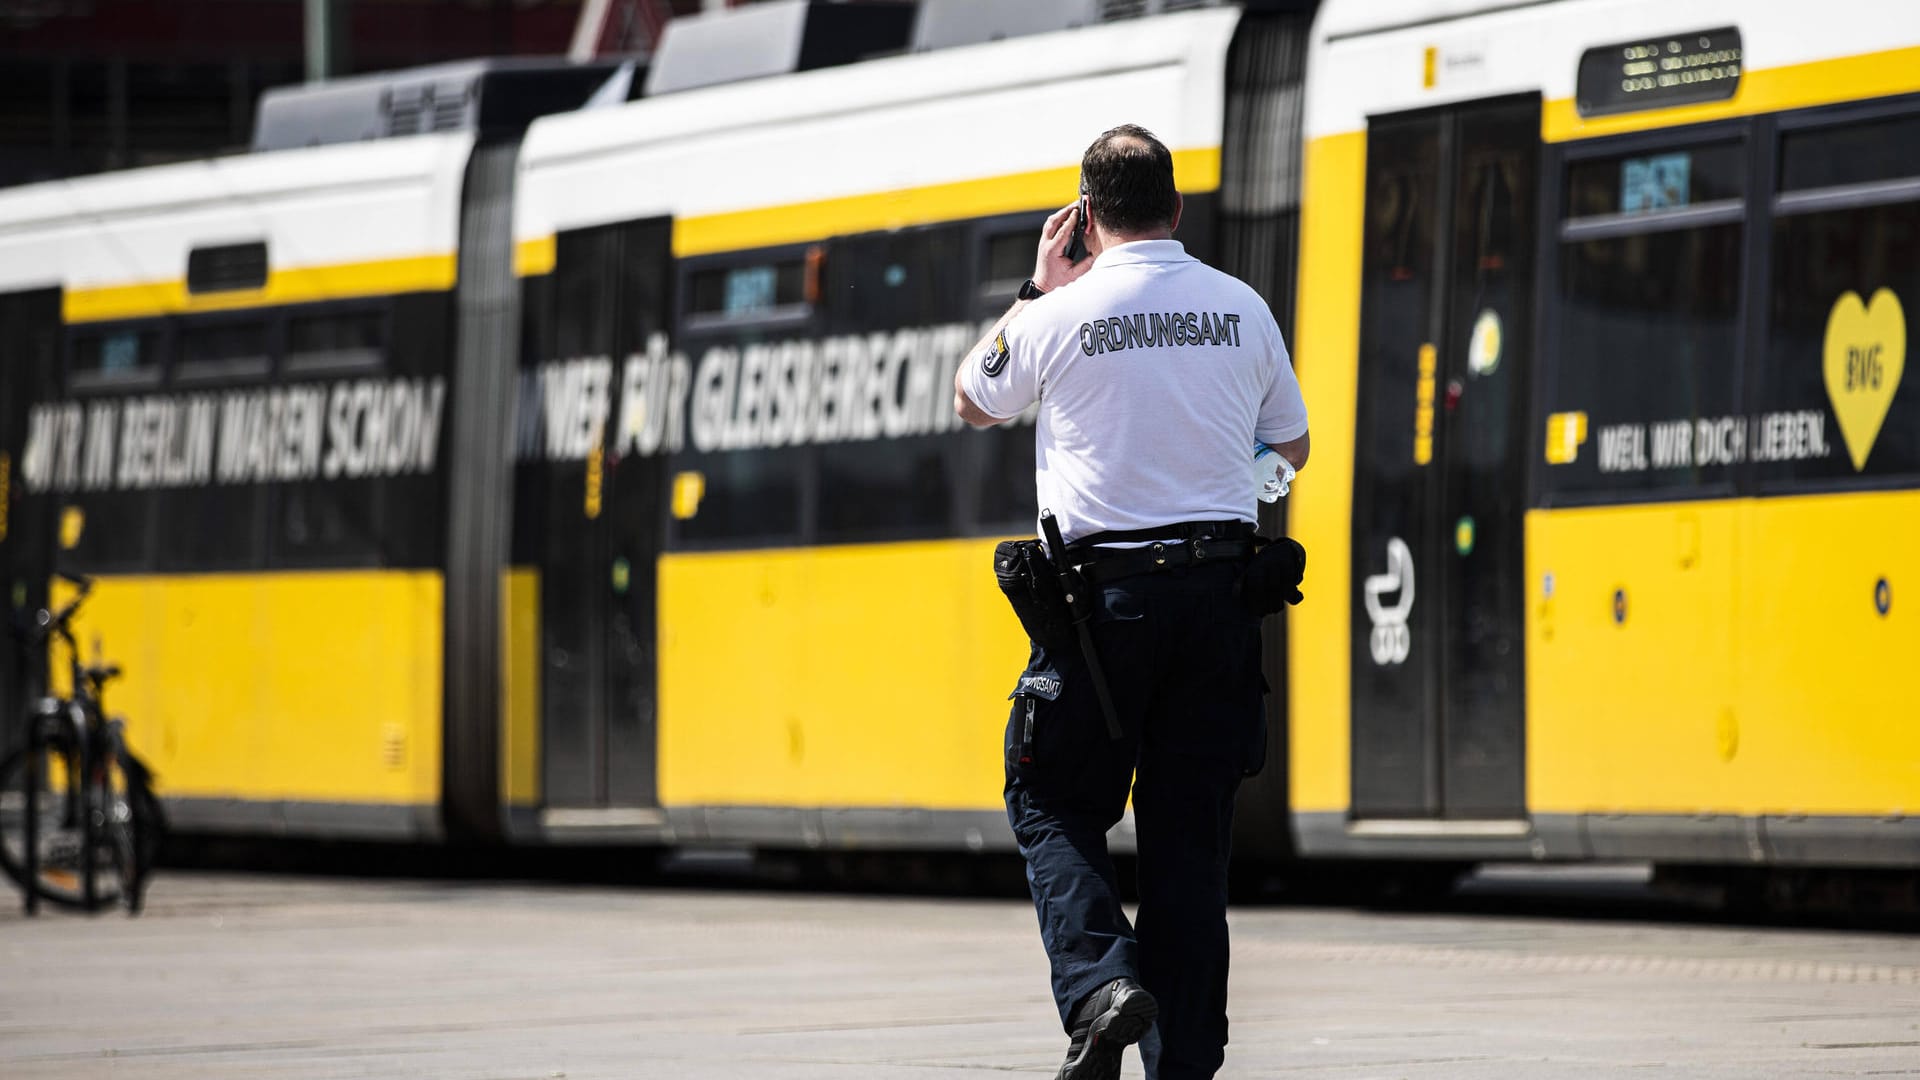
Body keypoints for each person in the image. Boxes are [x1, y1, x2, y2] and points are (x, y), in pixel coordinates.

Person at [953, 124, 1309, 1080]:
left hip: (1102, 610)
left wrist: (1038, 285)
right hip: (1220, 600)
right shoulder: (1240, 307)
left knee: (1050, 797)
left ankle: (1103, 987)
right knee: (1191, 837)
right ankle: (1184, 1057)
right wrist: (1242, 488)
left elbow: (973, 400)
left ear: (1084, 215)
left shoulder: (1056, 314)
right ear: (1177, 209)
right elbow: (1293, 446)